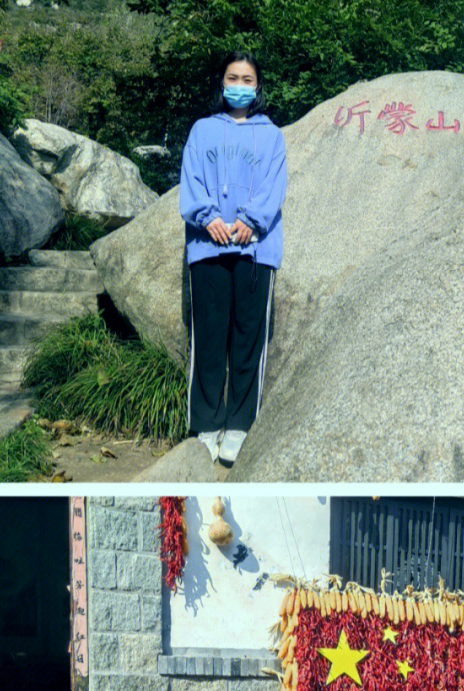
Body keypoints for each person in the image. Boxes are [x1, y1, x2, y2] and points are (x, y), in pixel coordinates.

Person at [180, 52, 288, 466]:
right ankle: (206, 426)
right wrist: (208, 219)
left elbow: (274, 186)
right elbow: (191, 179)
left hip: (255, 249)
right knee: (208, 338)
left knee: (247, 340)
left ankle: (240, 427)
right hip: (209, 246)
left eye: (247, 78)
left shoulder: (272, 136)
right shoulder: (202, 130)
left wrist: (251, 221)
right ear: (221, 82)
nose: (239, 84)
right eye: (232, 76)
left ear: (257, 87)